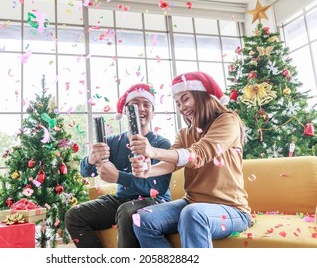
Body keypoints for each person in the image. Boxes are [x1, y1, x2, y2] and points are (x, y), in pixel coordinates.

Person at [129, 71, 251, 248]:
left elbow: (199, 154)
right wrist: (149, 170)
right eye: (178, 103)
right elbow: (172, 162)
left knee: (193, 214)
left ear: (202, 96)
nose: (181, 107)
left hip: (232, 209)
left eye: (185, 99)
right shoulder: (185, 133)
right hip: (193, 202)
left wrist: (153, 152)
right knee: (142, 219)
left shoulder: (228, 121)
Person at [65, 83, 172, 248]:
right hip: (122, 200)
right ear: (125, 111)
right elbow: (85, 172)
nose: (141, 108)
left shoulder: (160, 144)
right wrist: (91, 159)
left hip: (155, 201)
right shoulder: (113, 142)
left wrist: (119, 176)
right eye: (135, 104)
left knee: (126, 212)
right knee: (75, 215)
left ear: (153, 112)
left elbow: (159, 188)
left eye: (146, 104)